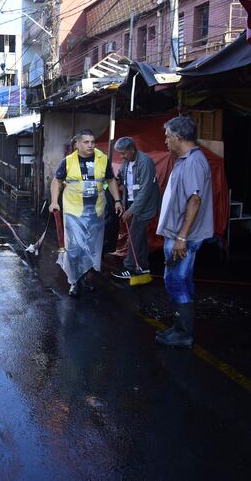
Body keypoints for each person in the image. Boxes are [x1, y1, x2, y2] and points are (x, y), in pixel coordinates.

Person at [155, 116, 213, 348]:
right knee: (179, 279)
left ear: (179, 137)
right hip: (179, 234)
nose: (165, 141)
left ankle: (183, 334)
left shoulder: (193, 162)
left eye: (168, 136)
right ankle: (179, 328)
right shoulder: (184, 159)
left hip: (184, 236)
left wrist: (181, 237)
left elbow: (195, 201)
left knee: (176, 280)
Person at [50, 129, 123, 297]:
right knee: (75, 249)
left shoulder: (102, 159)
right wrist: (54, 201)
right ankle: (74, 281)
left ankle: (83, 278)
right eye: (86, 142)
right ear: (77, 144)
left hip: (95, 211)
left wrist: (117, 201)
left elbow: (110, 180)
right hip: (74, 212)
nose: (90, 145)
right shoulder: (68, 161)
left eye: (92, 142)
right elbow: (57, 181)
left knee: (90, 249)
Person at [111, 137, 160, 279]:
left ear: (132, 149)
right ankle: (143, 266)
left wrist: (131, 211)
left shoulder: (145, 162)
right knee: (140, 236)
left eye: (124, 153)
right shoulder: (126, 163)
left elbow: (145, 191)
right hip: (131, 202)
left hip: (144, 205)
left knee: (134, 235)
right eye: (120, 154)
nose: (122, 157)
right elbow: (120, 179)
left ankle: (130, 268)